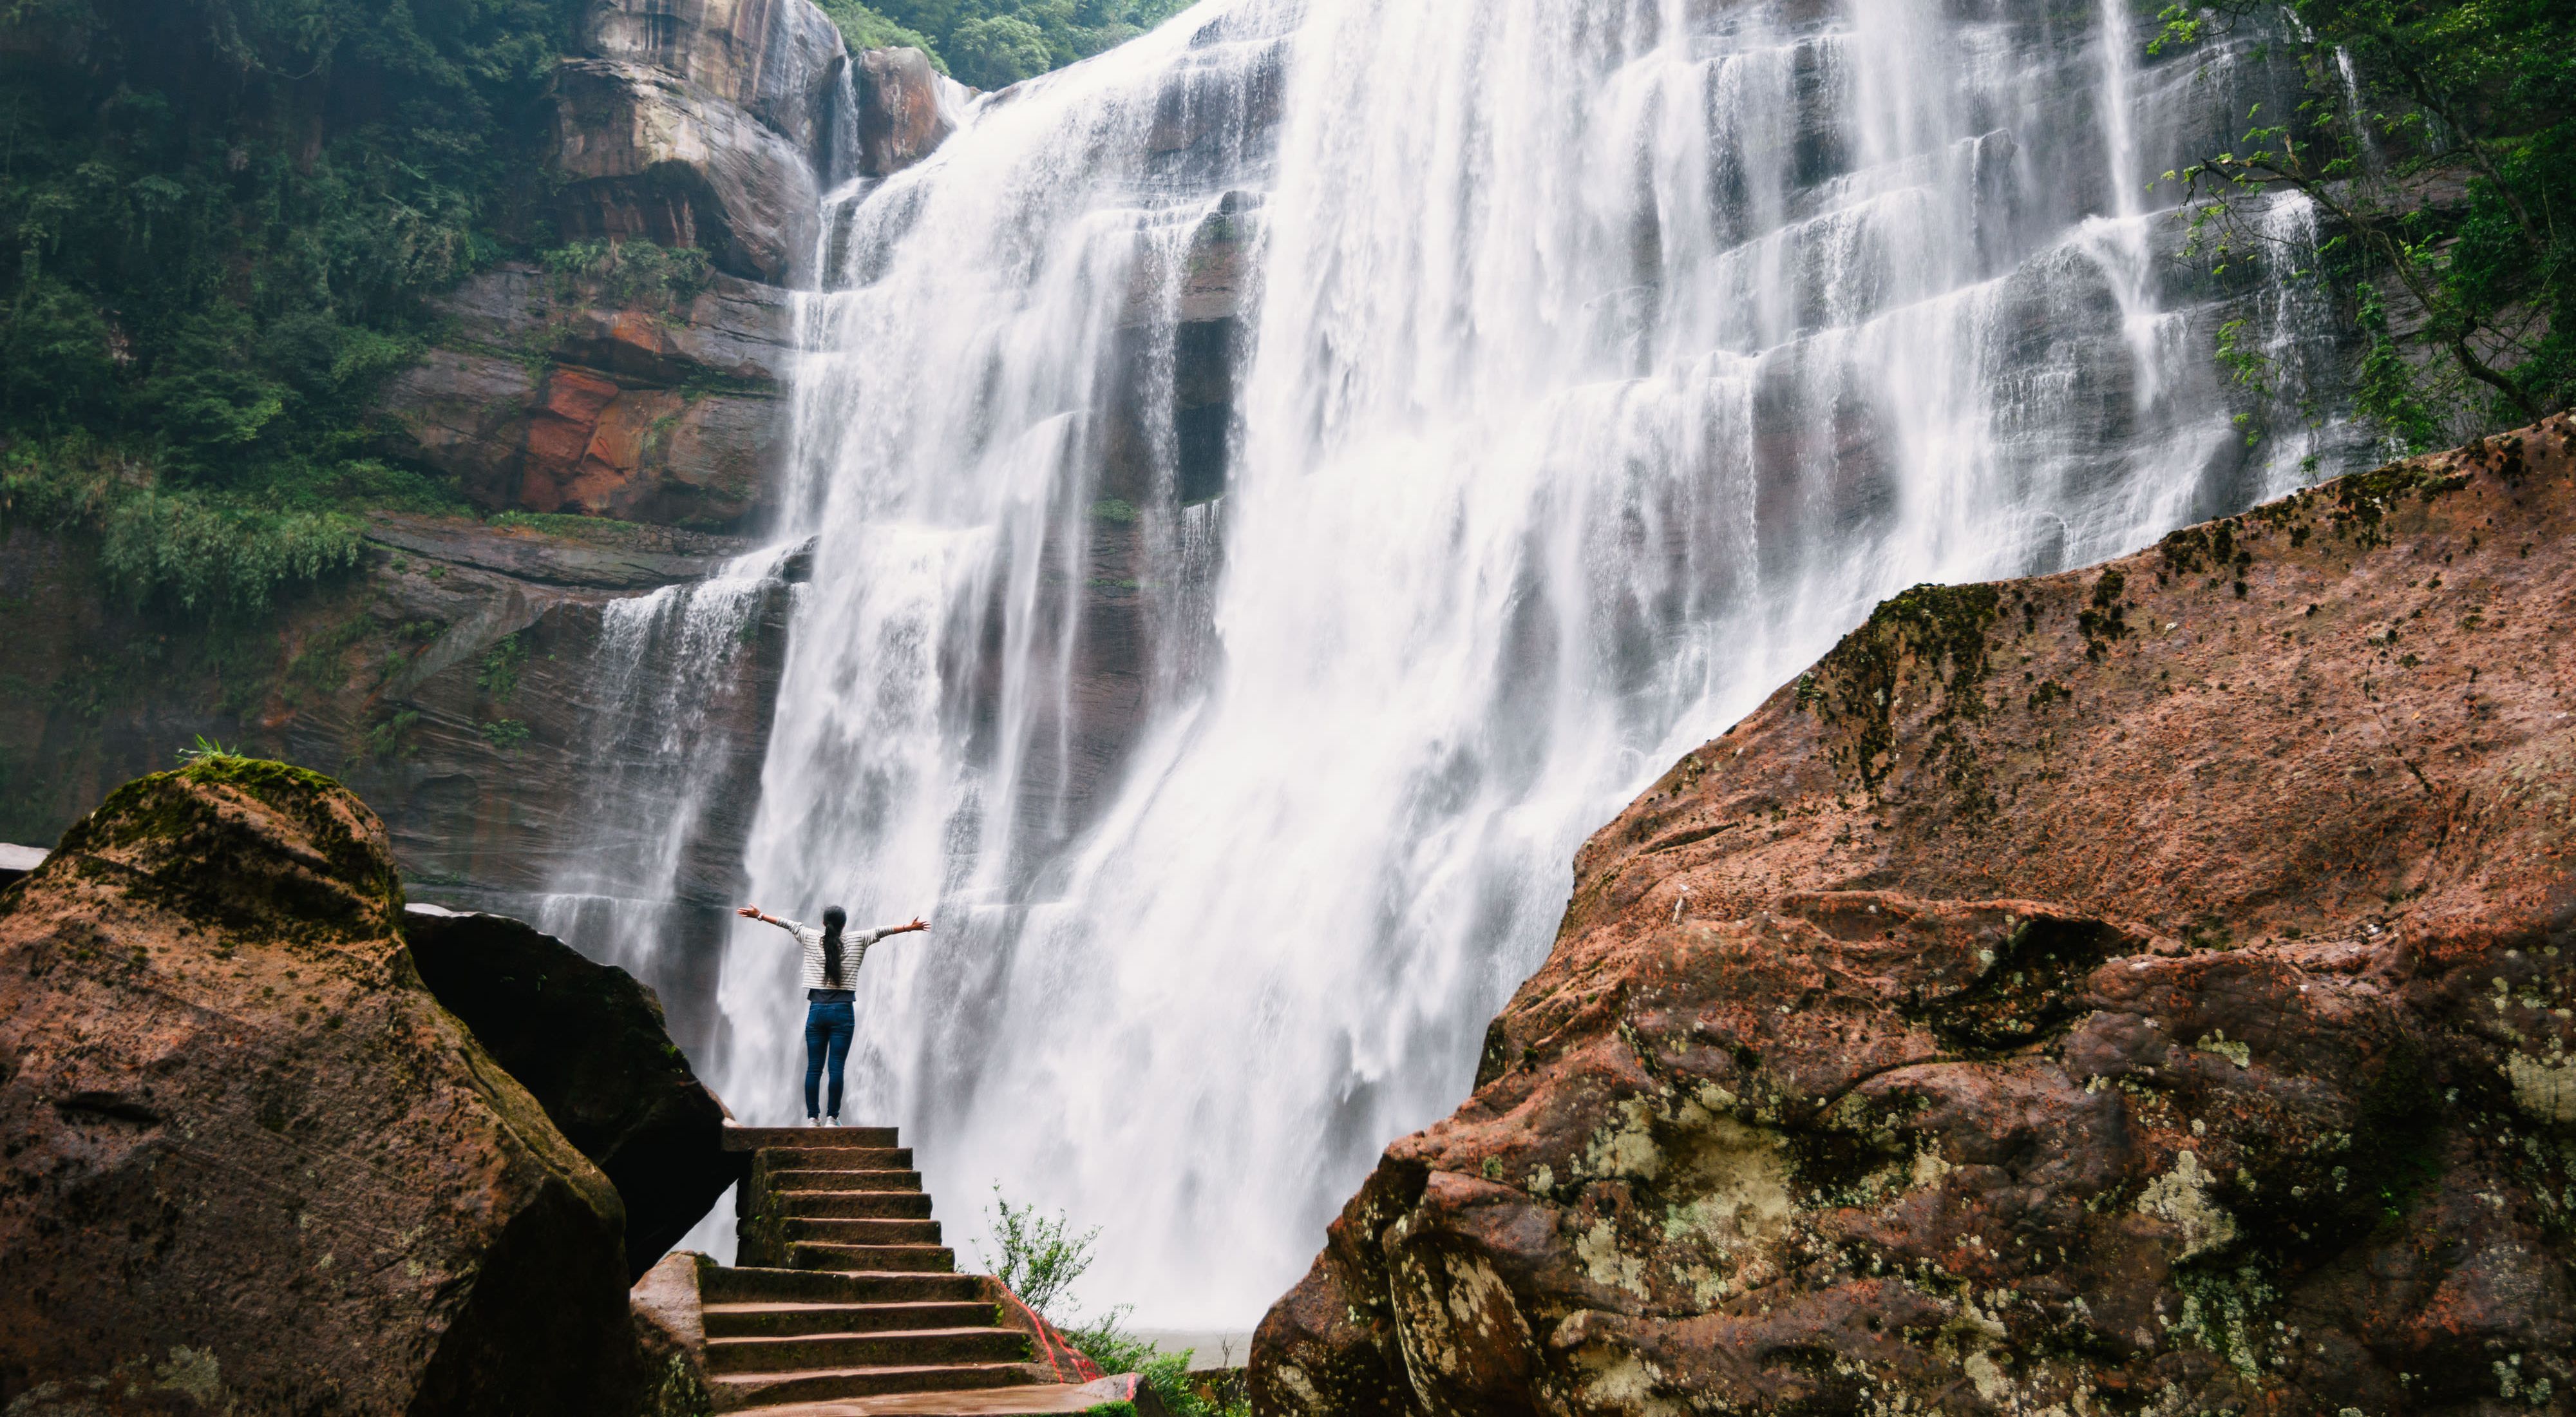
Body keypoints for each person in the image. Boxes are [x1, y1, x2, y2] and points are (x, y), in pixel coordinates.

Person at [736, 904, 929, 1127]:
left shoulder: (809, 937)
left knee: (814, 1068)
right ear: (844, 925)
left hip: (817, 1010)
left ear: (824, 924)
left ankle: (812, 1119)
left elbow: (787, 924)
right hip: (843, 1012)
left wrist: (759, 915)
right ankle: (832, 1118)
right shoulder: (858, 939)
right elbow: (881, 931)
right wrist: (909, 928)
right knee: (836, 1067)